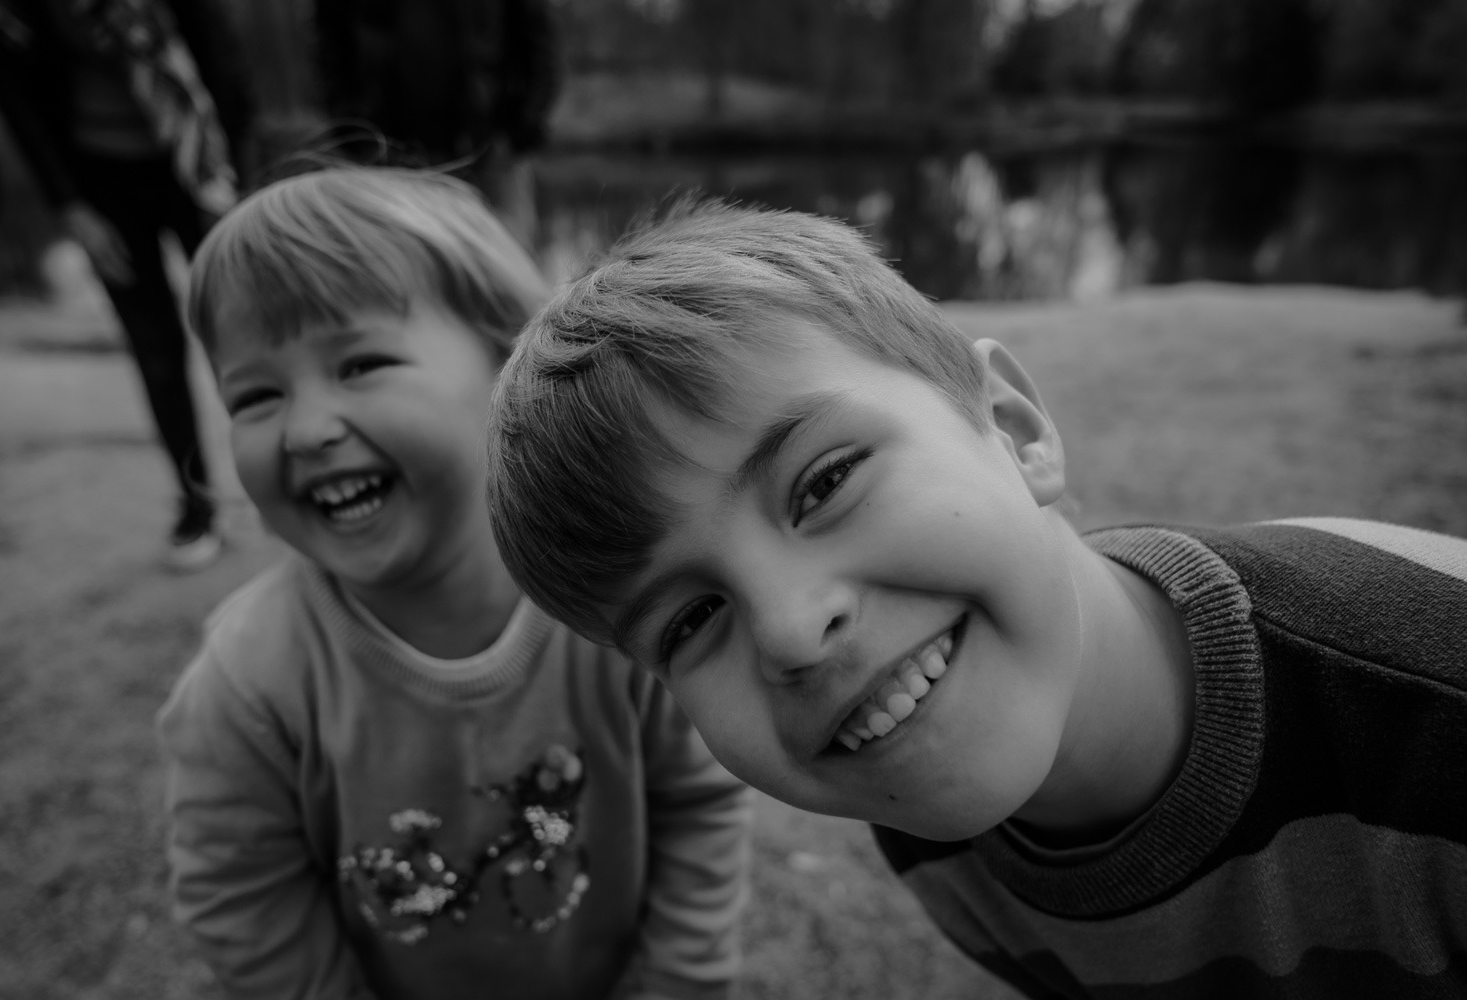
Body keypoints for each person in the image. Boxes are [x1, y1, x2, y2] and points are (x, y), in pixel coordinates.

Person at [485, 198, 1467, 998]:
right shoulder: (921, 802)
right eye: (691, 621)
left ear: (1014, 426)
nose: (790, 627)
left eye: (823, 483)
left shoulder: (1431, 709)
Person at [157, 170, 752, 1000]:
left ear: (510, 367)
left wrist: (677, 982)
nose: (306, 429)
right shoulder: (246, 688)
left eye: (359, 363)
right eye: (255, 395)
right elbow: (243, 899)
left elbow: (698, 805)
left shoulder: (615, 606)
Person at [0, 0, 252, 570]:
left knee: (244, 327)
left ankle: (279, 471)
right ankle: (195, 498)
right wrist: (69, 205)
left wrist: (232, 173)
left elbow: (218, 47)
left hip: (197, 155)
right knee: (155, 348)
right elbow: (14, 96)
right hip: (99, 181)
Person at [313, 0, 560, 250]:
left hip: (491, 154)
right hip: (390, 158)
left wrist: (521, 129)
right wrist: (354, 131)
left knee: (509, 269)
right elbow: (330, 44)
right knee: (406, 273)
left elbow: (539, 42)